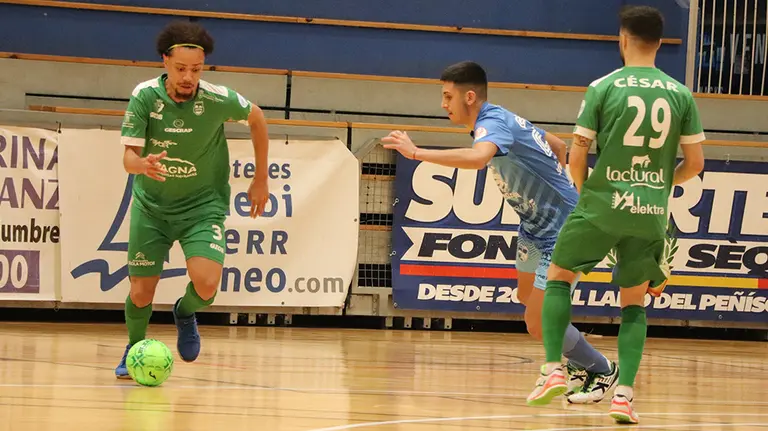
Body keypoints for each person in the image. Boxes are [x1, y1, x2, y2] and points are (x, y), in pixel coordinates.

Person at [382, 61, 618, 402]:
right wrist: (555, 176)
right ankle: (583, 364)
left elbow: (479, 159)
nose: (443, 104)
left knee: (537, 322)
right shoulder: (501, 118)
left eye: (448, 96)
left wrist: (416, 152)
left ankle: (602, 368)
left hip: (564, 231)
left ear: (470, 97)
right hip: (533, 228)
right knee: (526, 299)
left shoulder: (493, 122)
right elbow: (557, 145)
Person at [525, 5, 706, 425]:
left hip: (602, 205)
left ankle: (554, 368)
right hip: (650, 212)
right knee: (634, 304)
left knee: (558, 279)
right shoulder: (681, 94)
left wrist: (586, 193)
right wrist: (659, 185)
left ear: (622, 39)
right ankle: (623, 396)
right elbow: (696, 164)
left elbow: (578, 154)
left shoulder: (603, 86)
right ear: (660, 42)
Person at [115, 20, 270, 378]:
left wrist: (260, 178)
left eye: (196, 70)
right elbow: (128, 159)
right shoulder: (144, 96)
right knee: (140, 293)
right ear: (165, 62)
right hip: (152, 208)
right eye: (181, 68)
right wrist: (141, 164)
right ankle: (135, 348)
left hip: (203, 207)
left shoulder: (217, 98)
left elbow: (257, 118)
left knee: (207, 284)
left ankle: (184, 312)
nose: (188, 77)